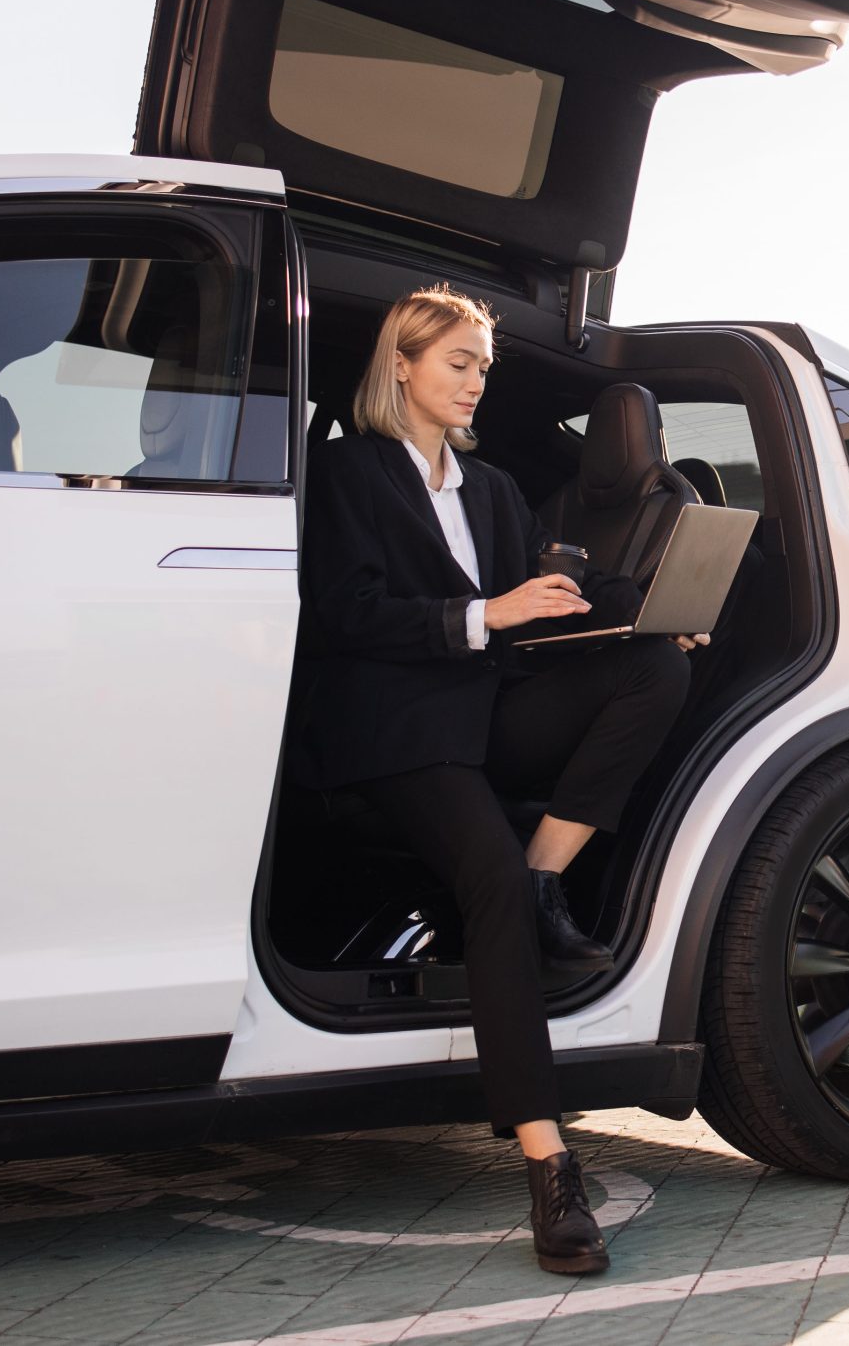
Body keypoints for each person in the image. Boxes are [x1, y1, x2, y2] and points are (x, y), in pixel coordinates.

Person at [297, 285, 701, 1276]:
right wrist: (485, 614)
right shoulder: (348, 474)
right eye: (460, 363)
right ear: (403, 364)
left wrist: (659, 606)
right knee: (484, 881)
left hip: (487, 720)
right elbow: (343, 615)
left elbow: (556, 586)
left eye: (483, 366)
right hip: (400, 736)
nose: (477, 382)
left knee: (656, 669)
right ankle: (548, 1160)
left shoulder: (495, 491)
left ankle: (541, 880)